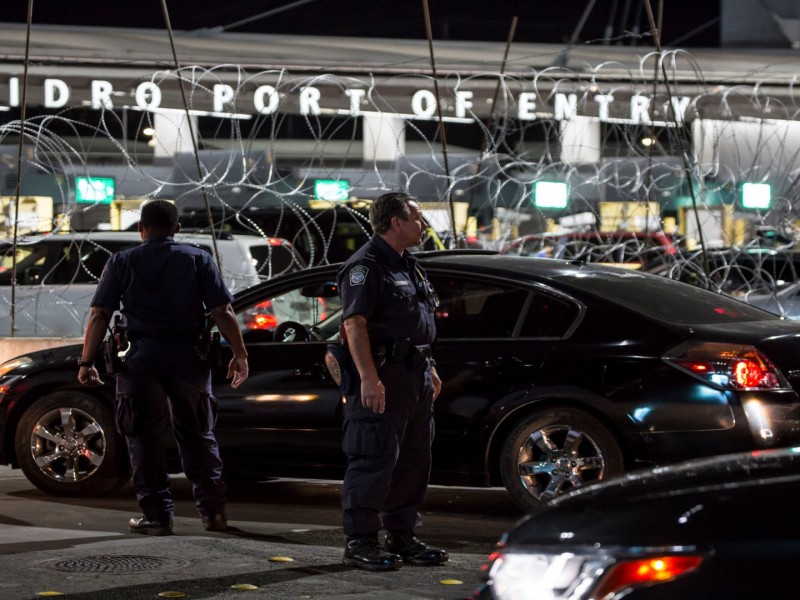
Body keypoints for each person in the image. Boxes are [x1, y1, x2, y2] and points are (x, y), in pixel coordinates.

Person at [77, 199, 249, 536]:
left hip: (139, 357)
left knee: (142, 436)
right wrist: (239, 353)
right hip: (189, 357)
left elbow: (99, 314)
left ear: (141, 229)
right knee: (198, 433)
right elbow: (221, 311)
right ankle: (213, 515)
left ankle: (157, 517)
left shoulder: (121, 261)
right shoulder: (198, 258)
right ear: (177, 229)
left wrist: (86, 361)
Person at [336, 192, 448, 571]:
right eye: (417, 217)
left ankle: (402, 534)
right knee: (374, 456)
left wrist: (427, 366)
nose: (423, 224)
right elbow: (354, 324)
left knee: (415, 458)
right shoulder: (366, 267)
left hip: (413, 373)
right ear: (396, 222)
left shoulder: (408, 265)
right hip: (384, 374)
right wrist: (369, 378)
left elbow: (417, 324)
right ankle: (361, 539)